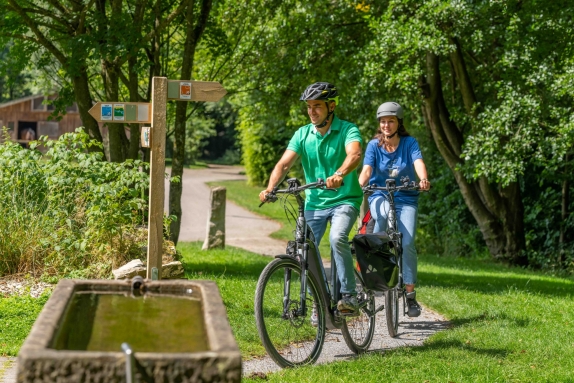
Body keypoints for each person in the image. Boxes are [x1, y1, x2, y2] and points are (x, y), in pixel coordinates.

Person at [259, 82, 363, 317]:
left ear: (331, 106)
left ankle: (349, 296)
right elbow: (284, 164)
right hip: (314, 203)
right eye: (309, 107)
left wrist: (339, 175)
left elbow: (354, 154)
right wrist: (270, 188)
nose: (312, 111)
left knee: (337, 237)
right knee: (303, 249)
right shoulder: (303, 133)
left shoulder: (348, 129)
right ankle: (319, 300)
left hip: (344, 199)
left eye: (317, 106)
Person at [358, 101, 430, 317]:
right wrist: (361, 183)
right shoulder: (373, 146)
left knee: (407, 243)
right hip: (380, 194)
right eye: (383, 121)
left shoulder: (409, 143)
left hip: (406, 197)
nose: (386, 125)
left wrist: (423, 179)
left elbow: (418, 161)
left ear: (399, 123)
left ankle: (410, 295)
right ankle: (379, 274)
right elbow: (367, 169)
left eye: (391, 121)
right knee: (379, 220)